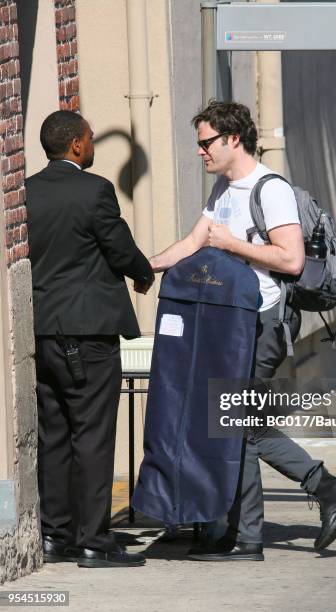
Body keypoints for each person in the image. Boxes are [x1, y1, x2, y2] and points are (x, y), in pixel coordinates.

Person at [149, 100, 336, 561]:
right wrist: (146, 266)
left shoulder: (271, 190)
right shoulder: (224, 190)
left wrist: (233, 245)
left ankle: (247, 537)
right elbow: (191, 243)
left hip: (261, 324)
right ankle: (327, 490)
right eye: (199, 144)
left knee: (236, 426)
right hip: (229, 326)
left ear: (233, 139)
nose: (201, 152)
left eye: (206, 143)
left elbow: (292, 259)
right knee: (244, 425)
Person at [26, 110, 154, 568]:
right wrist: (142, 274)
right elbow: (118, 247)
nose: (93, 144)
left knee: (54, 435)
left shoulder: (25, 192)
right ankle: (94, 542)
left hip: (41, 333)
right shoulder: (94, 190)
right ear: (77, 146)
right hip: (88, 334)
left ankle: (54, 536)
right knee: (94, 437)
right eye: (91, 138)